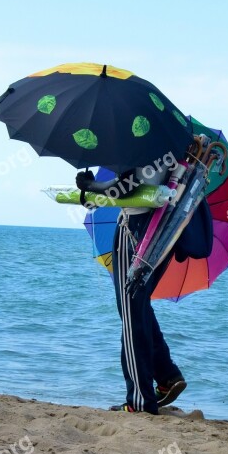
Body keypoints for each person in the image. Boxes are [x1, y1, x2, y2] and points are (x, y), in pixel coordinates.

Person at [76, 164, 186, 415]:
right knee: (138, 307)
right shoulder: (176, 136)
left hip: (137, 228)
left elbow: (125, 187)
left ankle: (140, 401)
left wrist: (89, 186)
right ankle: (167, 375)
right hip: (166, 227)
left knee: (131, 314)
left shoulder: (141, 130)